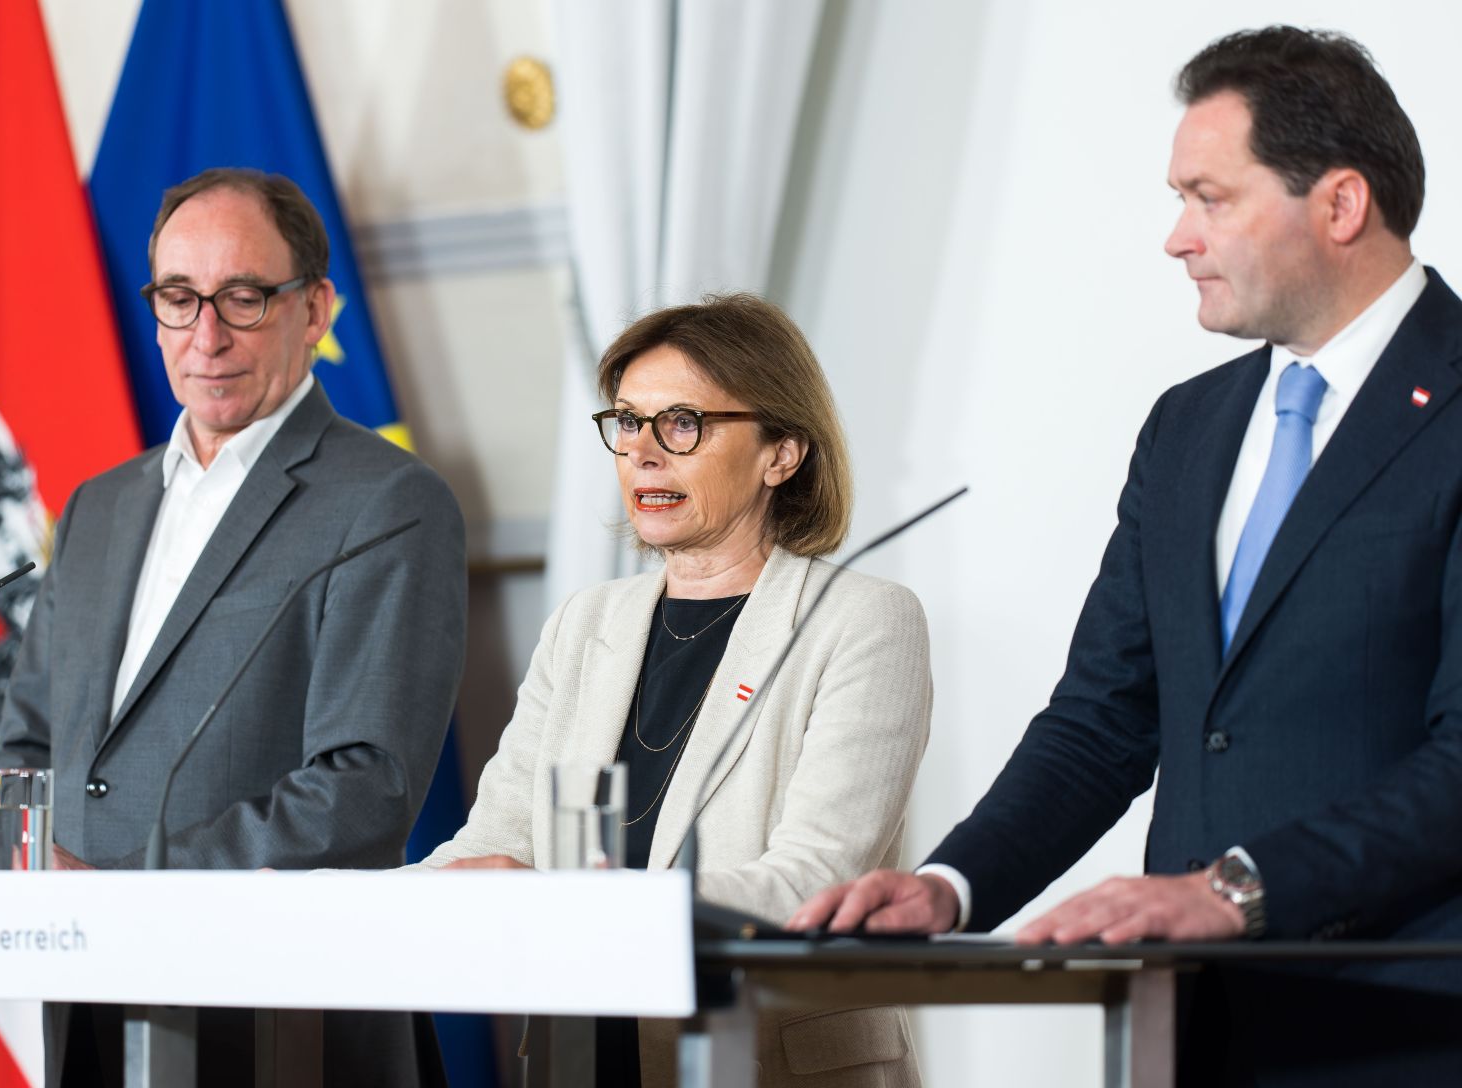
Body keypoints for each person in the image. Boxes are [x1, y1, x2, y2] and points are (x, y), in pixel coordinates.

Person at [790, 26, 1462, 1084]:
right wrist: (951, 884)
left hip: (1406, 1030)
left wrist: (1232, 888)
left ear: (1337, 204)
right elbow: (1103, 718)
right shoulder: (1185, 430)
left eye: (1208, 197)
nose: (1175, 238)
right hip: (1187, 1027)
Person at [0, 167, 465, 1086]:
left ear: (314, 309)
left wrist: (121, 891)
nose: (207, 336)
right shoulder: (98, 507)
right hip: (90, 1005)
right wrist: (15, 858)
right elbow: (26, 744)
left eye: (243, 297)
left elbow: (366, 786)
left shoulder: (389, 502)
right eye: (179, 298)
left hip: (285, 1020)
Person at [419, 294, 933, 1087]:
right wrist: (331, 900)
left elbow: (810, 884)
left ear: (782, 452)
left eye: (683, 422)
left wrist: (583, 903)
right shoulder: (585, 623)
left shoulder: (864, 621)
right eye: (628, 423)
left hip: (766, 1063)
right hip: (585, 1056)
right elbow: (492, 847)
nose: (645, 454)